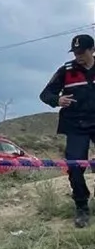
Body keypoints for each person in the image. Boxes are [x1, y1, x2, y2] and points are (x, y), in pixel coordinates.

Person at [39, 33, 95, 227]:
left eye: (82, 52)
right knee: (74, 166)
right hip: (76, 125)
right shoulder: (67, 71)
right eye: (75, 53)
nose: (78, 56)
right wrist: (57, 100)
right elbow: (45, 94)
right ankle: (81, 206)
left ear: (92, 50)